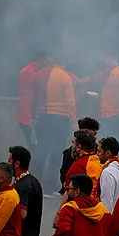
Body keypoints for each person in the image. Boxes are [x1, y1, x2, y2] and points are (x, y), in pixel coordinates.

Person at [33, 55, 77, 193]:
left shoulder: (40, 74)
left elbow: (33, 95)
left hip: (43, 117)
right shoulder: (65, 77)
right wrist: (74, 121)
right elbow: (71, 101)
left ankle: (35, 184)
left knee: (41, 150)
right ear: (64, 63)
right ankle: (52, 186)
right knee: (56, 153)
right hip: (60, 118)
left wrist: (35, 115)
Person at [77, 57, 119, 141]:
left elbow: (83, 81)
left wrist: (73, 80)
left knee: (105, 141)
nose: (100, 61)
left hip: (108, 114)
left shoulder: (108, 72)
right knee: (117, 142)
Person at [59, 117, 100, 188]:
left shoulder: (99, 151)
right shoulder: (70, 153)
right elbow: (64, 174)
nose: (95, 136)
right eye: (94, 133)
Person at [63, 130, 103, 197]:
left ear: (78, 147)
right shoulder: (100, 162)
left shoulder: (78, 166)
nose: (72, 146)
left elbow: (70, 193)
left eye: (73, 143)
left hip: (80, 206)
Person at [17, 52, 46, 146]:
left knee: (35, 145)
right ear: (40, 60)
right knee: (34, 146)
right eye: (46, 62)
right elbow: (40, 87)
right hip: (28, 115)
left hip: (32, 113)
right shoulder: (27, 72)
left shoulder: (35, 72)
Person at [98, 137, 119, 213]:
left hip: (111, 218)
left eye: (99, 151)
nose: (97, 154)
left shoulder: (107, 173)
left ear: (108, 153)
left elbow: (106, 203)